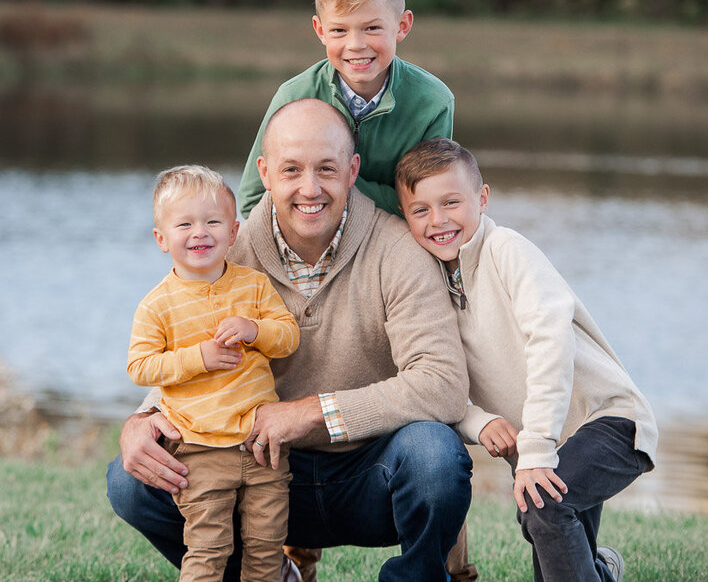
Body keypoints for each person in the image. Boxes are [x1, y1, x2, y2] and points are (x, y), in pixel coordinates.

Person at [109, 98, 472, 582]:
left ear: (352, 170)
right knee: (131, 481)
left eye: (326, 168)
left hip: (368, 474)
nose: (309, 188)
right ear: (265, 172)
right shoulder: (226, 249)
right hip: (253, 470)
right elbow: (192, 351)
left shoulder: (398, 251)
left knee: (435, 456)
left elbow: (443, 384)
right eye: (291, 169)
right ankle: (268, 576)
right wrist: (144, 418)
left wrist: (312, 412)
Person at [394, 138, 659, 582]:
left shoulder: (507, 250)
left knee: (544, 506)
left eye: (451, 202)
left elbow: (550, 338)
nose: (438, 220)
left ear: (482, 198)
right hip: (550, 446)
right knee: (555, 538)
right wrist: (477, 421)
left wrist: (535, 449)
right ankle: (600, 571)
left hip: (608, 421)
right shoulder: (427, 286)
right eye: (420, 210)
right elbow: (430, 381)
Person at [127, 165, 301, 582]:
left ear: (234, 232)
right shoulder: (157, 305)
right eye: (184, 224)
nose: (199, 232)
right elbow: (140, 366)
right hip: (199, 449)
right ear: (162, 239)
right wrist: (197, 358)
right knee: (207, 549)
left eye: (212, 222)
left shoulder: (254, 287)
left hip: (262, 446)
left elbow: (289, 337)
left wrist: (255, 330)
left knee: (264, 548)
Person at [237, 0, 454, 219]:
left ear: (402, 25)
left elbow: (424, 204)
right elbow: (253, 200)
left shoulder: (433, 102)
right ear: (320, 30)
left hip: (389, 238)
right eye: (339, 30)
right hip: (310, 234)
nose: (356, 45)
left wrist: (337, 184)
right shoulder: (294, 96)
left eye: (372, 28)